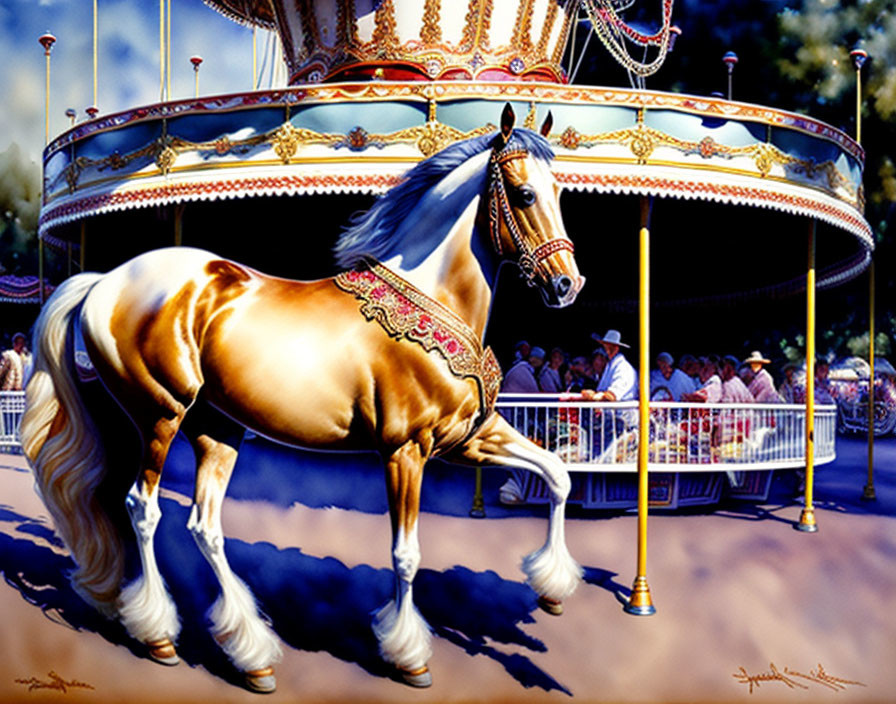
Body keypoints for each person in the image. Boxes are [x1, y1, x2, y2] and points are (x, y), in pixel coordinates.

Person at [582, 330, 637, 401]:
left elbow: (611, 396)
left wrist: (593, 396)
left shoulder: (624, 368)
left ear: (616, 348)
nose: (606, 349)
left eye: (609, 346)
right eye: (605, 345)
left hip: (623, 411)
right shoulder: (611, 365)